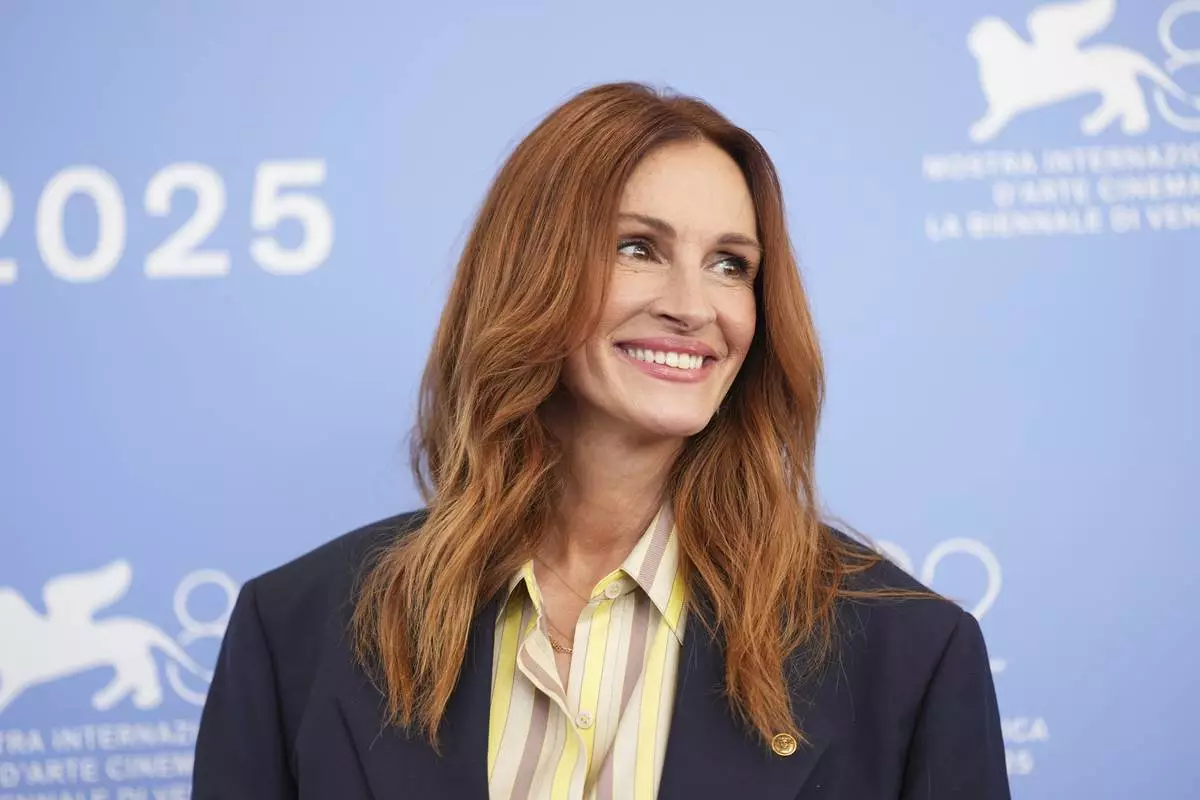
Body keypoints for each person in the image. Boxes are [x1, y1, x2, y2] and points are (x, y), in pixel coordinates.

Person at [193, 82, 1010, 799]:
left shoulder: (911, 653)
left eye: (731, 265)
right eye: (637, 248)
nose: (695, 306)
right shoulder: (294, 632)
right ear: (529, 271)